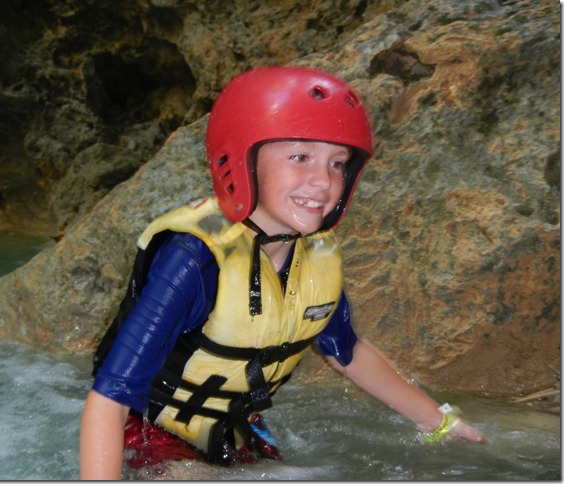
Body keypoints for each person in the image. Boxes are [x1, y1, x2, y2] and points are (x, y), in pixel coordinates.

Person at [79, 65, 488, 479]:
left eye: (337, 164)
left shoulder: (315, 258)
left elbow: (346, 351)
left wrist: (440, 423)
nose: (323, 181)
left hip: (232, 433)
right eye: (300, 157)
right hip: (149, 431)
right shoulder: (194, 259)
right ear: (243, 160)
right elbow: (111, 397)